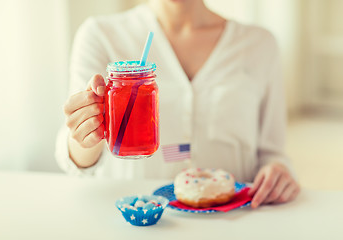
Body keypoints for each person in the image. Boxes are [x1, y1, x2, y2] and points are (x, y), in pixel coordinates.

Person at [56, 0, 300, 208]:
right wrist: (85, 133)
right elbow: (76, 162)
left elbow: (272, 153)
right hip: (138, 223)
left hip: (229, 223)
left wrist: (277, 171)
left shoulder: (259, 44)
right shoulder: (100, 34)